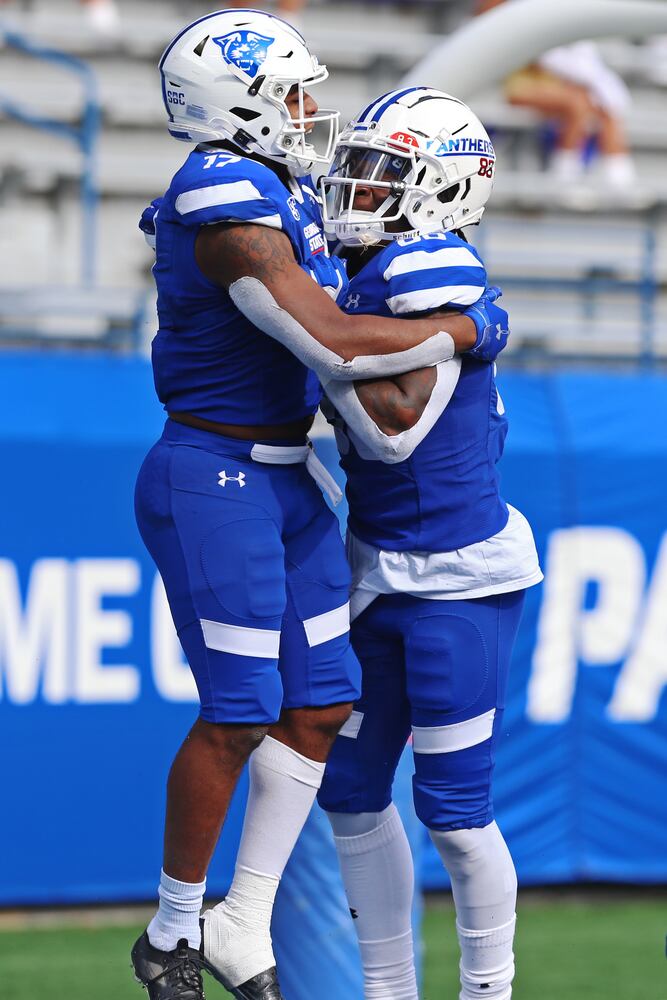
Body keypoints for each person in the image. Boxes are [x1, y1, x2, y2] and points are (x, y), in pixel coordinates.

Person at [130, 12, 501, 1000]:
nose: (306, 112)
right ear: (240, 104)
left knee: (324, 702)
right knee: (241, 708)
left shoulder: (286, 189)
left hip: (287, 478)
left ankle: (240, 915)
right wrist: (468, 327)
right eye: (290, 93)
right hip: (216, 475)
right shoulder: (226, 200)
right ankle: (172, 930)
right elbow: (335, 343)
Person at [316, 87, 543, 1000]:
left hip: (457, 576)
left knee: (453, 813)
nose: (359, 190)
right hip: (377, 572)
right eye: (358, 169)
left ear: (443, 189)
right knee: (351, 792)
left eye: (384, 174)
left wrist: (308, 334)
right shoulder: (368, 268)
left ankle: (489, 989)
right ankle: (387, 992)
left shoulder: (427, 268)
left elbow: (391, 428)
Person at [476, 0, 636, 189]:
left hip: (552, 90)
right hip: (521, 88)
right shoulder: (517, 14)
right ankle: (566, 177)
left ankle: (616, 177)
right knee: (578, 102)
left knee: (603, 106)